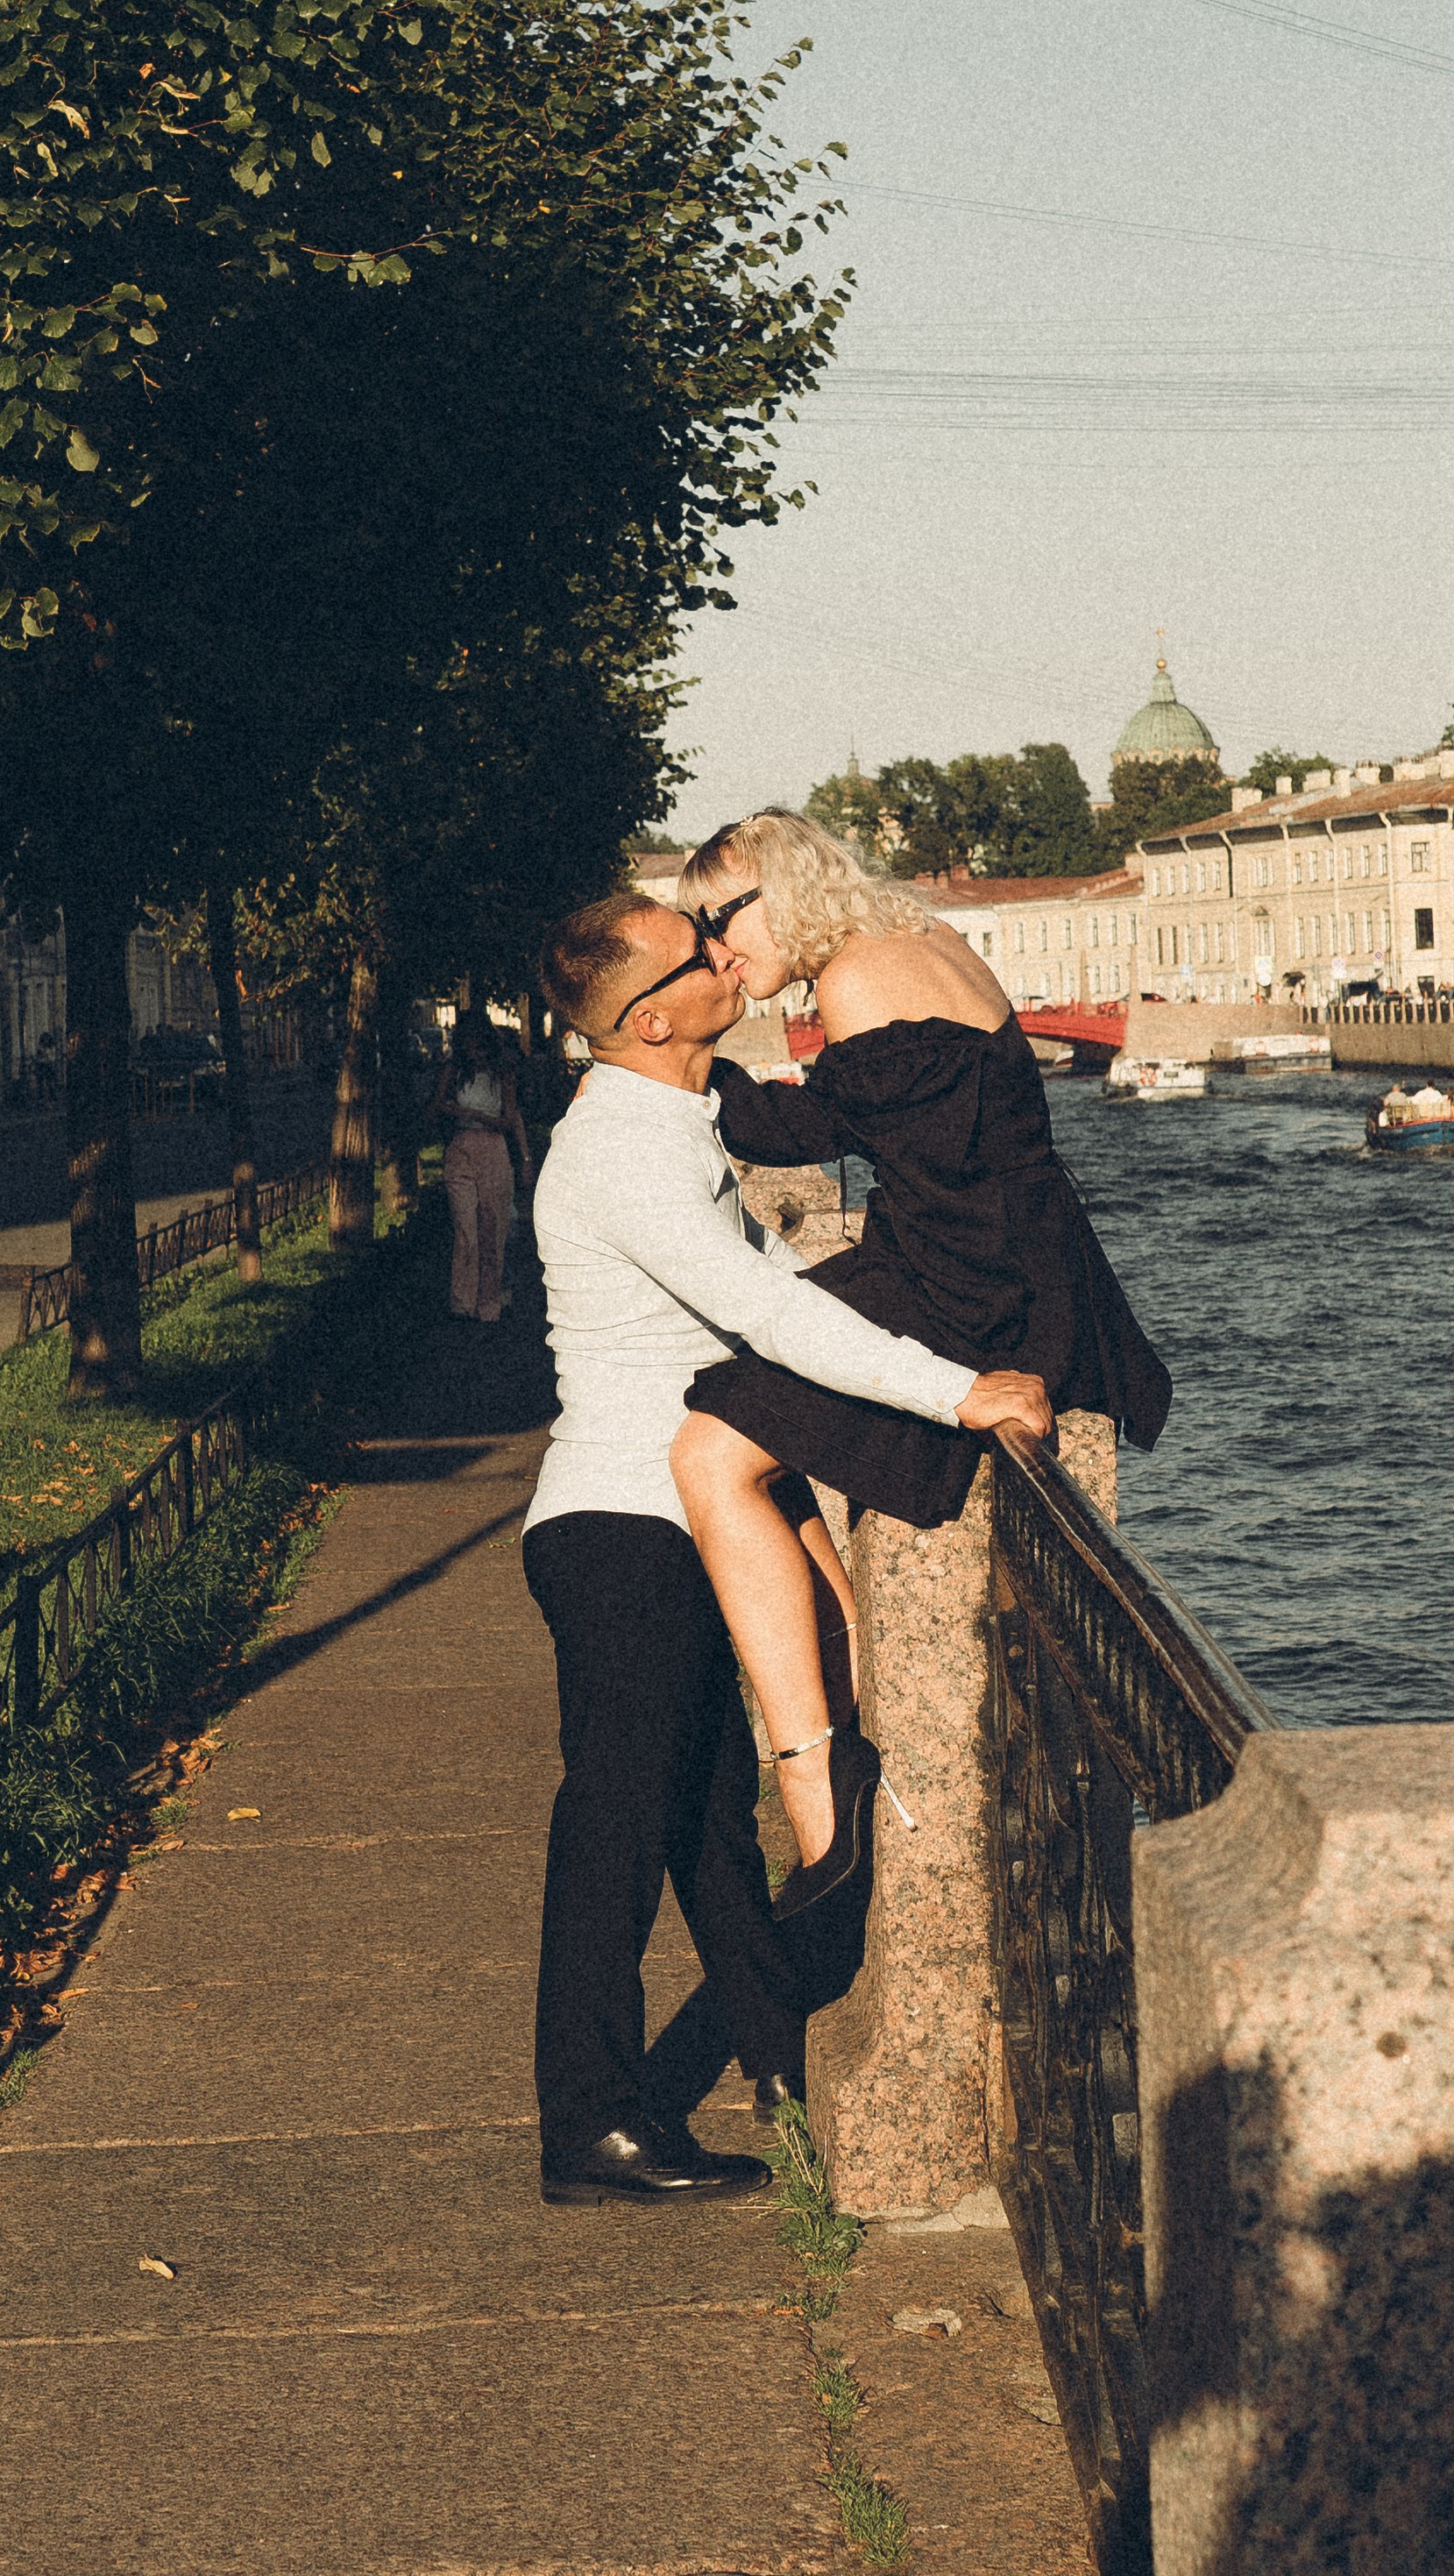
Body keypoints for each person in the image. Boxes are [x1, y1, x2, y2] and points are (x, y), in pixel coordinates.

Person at [523, 889, 1050, 2209]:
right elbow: (770, 1316)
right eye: (696, 952)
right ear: (653, 1018)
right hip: (621, 1528)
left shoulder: (672, 1120)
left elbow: (795, 1292)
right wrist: (961, 1390)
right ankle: (586, 2122)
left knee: (703, 1824)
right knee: (619, 1821)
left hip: (660, 1519)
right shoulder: (622, 1154)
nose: (723, 952)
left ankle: (777, 2060)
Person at [670, 810, 1170, 1903]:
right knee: (754, 1410)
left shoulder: (859, 980)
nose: (715, 948)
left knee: (713, 1446)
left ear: (783, 892)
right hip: (1011, 1261)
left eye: (720, 920)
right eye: (699, 931)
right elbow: (901, 1141)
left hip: (976, 1288)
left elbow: (809, 1138)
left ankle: (817, 1778)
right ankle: (841, 1699)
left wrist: (673, 1056)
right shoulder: (916, 943)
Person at [429, 1014, 531, 1324]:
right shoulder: (454, 1072)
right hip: (460, 1149)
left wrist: (525, 1160)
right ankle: (461, 1303)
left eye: (480, 1048)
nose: (476, 1054)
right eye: (469, 1048)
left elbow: (509, 1119)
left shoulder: (503, 1074)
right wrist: (453, 1111)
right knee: (465, 1230)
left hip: (494, 1149)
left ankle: (489, 1303)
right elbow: (435, 1108)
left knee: (493, 1228)